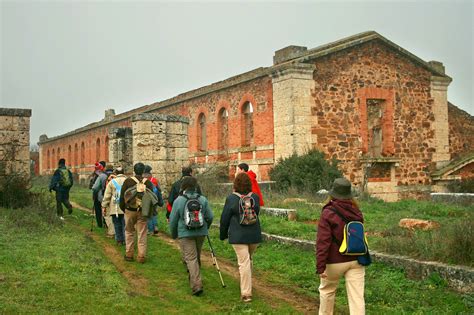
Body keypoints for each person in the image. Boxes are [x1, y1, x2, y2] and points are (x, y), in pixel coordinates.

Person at [316, 178, 366, 315]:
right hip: (356, 259)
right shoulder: (356, 211)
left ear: (333, 193)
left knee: (327, 291)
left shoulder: (328, 212)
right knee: (357, 298)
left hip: (334, 261)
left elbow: (323, 241)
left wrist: (320, 266)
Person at [220, 172, 262, 303]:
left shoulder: (231, 199)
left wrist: (223, 234)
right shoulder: (254, 197)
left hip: (238, 236)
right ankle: (248, 284)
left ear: (235, 184)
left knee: (243, 263)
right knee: (248, 260)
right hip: (254, 235)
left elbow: (224, 219)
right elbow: (257, 212)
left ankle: (246, 293)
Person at [169, 176, 213, 296]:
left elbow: (173, 220)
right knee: (196, 256)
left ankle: (196, 285)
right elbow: (210, 216)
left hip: (185, 233)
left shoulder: (179, 200)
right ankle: (195, 277)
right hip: (200, 232)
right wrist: (205, 227)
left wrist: (174, 234)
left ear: (183, 187)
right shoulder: (202, 199)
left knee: (191, 258)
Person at [119, 162, 155, 263]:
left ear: (134, 170)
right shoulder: (147, 183)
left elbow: (122, 197)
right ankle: (141, 256)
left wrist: (124, 209)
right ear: (143, 171)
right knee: (142, 233)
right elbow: (151, 198)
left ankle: (129, 254)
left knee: (129, 232)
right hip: (143, 211)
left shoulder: (128, 181)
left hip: (130, 210)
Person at [101, 166, 127, 245]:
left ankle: (119, 240)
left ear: (116, 173)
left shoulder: (112, 182)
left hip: (114, 206)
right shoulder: (128, 181)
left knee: (116, 223)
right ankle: (126, 240)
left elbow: (107, 195)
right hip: (125, 206)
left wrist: (104, 206)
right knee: (124, 224)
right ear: (123, 173)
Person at [143, 165, 164, 236]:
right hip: (155, 199)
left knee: (148, 214)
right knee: (154, 213)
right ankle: (155, 226)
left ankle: (150, 230)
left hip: (146, 198)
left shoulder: (143, 179)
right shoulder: (154, 179)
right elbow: (159, 189)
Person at [91, 161, 108, 228]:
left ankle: (100, 224)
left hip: (99, 195)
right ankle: (106, 223)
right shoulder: (108, 175)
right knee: (106, 209)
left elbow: (94, 187)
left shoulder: (99, 175)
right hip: (108, 195)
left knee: (98, 210)